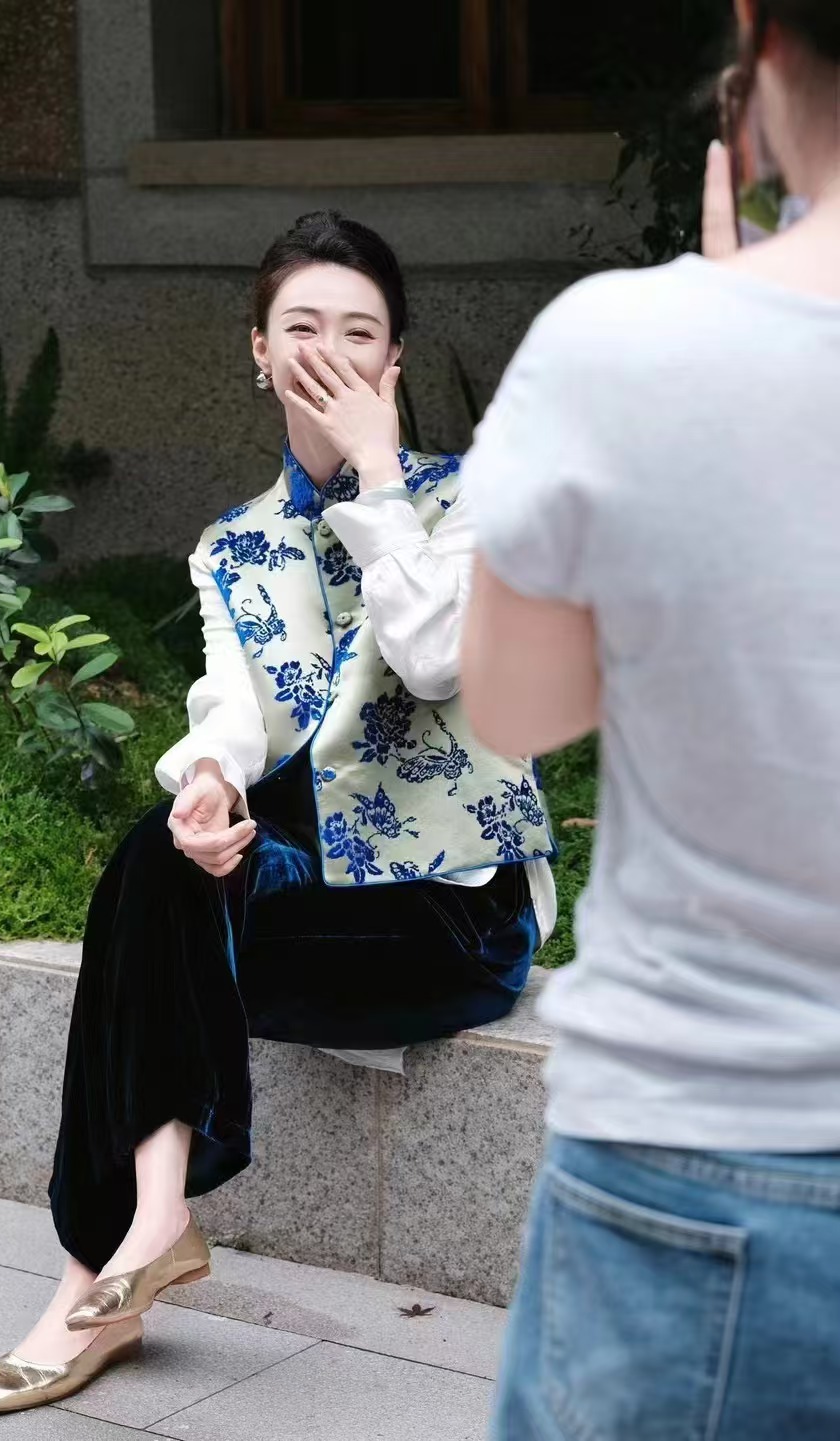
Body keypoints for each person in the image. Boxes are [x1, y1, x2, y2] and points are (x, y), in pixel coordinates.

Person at [0, 210, 556, 1414]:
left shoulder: (477, 502)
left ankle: (102, 1281)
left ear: (394, 360)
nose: (328, 351)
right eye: (302, 327)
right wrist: (208, 780)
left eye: (359, 332)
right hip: (313, 909)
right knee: (162, 851)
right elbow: (233, 707)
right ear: (259, 350)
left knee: (157, 901)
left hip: (453, 919)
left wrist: (380, 476)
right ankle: (136, 1240)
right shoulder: (234, 544)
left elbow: (437, 658)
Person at [460, 1, 840, 1436]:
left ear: (762, 35)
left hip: (702, 1160)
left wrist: (723, 374)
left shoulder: (621, 351)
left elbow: (520, 707)